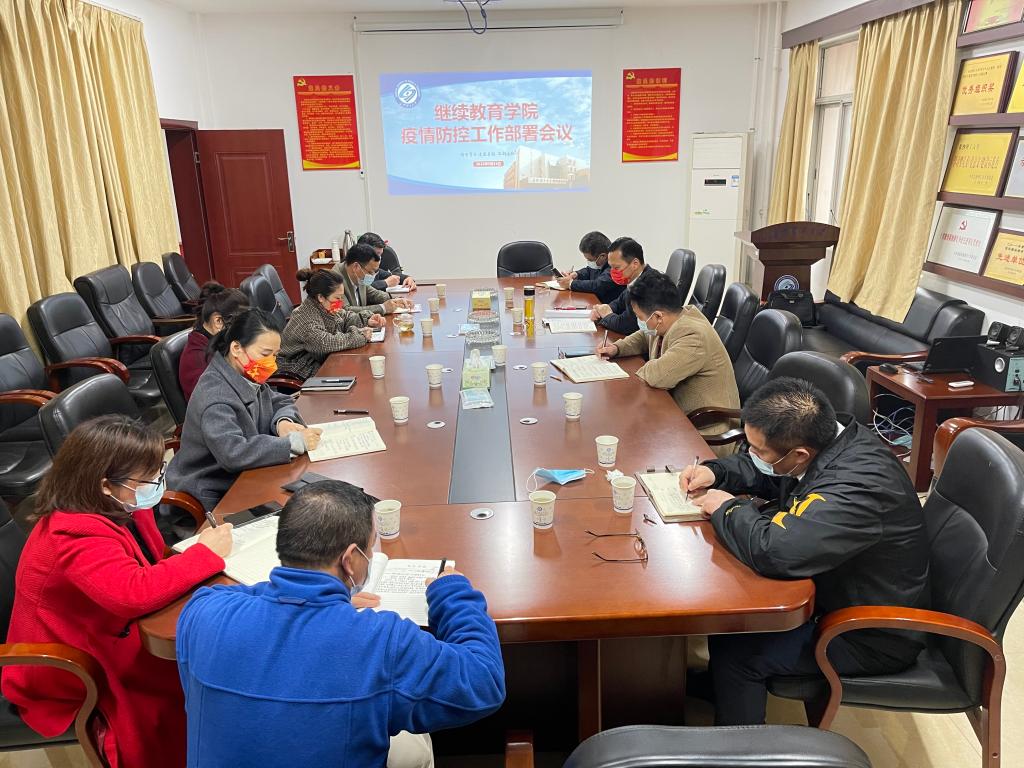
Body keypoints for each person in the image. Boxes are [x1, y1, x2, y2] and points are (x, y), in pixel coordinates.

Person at [176, 480, 506, 768]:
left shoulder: (202, 612)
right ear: (350, 560)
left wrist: (311, 596)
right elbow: (483, 681)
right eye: (370, 547)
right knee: (414, 746)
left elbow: (237, 597)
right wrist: (451, 592)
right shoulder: (380, 641)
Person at [679, 377, 930, 726]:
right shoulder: (825, 443)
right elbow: (769, 473)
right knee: (730, 623)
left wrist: (727, 508)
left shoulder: (857, 485)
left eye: (758, 451)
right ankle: (724, 689)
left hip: (871, 633)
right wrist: (714, 472)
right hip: (836, 592)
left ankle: (739, 746)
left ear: (799, 455)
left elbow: (776, 551)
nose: (752, 455)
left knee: (739, 650)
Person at [1, 414, 233, 768]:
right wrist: (203, 555)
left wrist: (193, 557)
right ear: (106, 485)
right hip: (66, 663)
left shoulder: (119, 505)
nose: (156, 484)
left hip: (103, 627)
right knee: (185, 680)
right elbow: (133, 593)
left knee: (206, 652)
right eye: (148, 478)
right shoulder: (73, 533)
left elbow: (148, 564)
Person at [167, 308, 322, 512]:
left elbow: (279, 400)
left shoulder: (244, 374)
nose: (272, 364)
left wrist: (283, 422)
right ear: (236, 348)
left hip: (247, 475)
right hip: (214, 492)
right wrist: (292, 443)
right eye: (265, 354)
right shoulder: (215, 396)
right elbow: (233, 453)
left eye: (275, 355)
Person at [597, 271, 739, 454]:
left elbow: (657, 376)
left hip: (706, 433)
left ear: (658, 317)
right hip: (674, 415)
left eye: (641, 318)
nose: (640, 323)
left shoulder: (692, 335)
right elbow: (644, 336)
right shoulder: (673, 318)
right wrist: (617, 348)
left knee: (630, 445)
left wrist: (634, 372)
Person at [277, 269, 385, 380]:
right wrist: (360, 336)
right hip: (299, 370)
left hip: (318, 360)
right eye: (337, 298)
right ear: (321, 297)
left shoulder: (322, 305)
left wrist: (366, 320)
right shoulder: (306, 319)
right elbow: (327, 343)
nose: (340, 303)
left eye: (341, 298)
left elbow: (344, 316)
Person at [179, 282, 249, 400]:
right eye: (241, 322)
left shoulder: (219, 341)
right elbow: (218, 400)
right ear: (218, 321)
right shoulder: (198, 360)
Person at [589, 237, 653, 335]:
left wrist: (605, 315)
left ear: (635, 264)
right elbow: (620, 302)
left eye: (616, 267)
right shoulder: (636, 278)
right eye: (611, 267)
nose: (612, 272)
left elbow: (626, 326)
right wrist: (605, 308)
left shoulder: (647, 286)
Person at [334, 243, 414, 315]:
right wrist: (383, 308)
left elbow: (374, 294)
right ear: (356, 267)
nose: (373, 276)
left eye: (375, 272)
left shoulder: (359, 276)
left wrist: (396, 300)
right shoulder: (334, 279)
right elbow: (345, 312)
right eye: (370, 272)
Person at [556, 231, 624, 304]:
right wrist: (577, 274)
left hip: (612, 308)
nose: (589, 262)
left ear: (603, 256)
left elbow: (598, 285)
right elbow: (589, 271)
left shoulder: (616, 266)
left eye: (590, 260)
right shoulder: (602, 263)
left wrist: (571, 283)